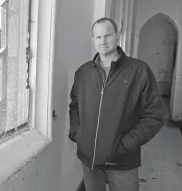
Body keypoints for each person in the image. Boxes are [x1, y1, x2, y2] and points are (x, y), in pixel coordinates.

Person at [68, 17, 166, 191]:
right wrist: (77, 133)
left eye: (108, 35)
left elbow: (155, 114)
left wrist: (126, 144)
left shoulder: (138, 70)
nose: (103, 41)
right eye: (98, 37)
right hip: (89, 158)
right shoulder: (83, 72)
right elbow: (74, 105)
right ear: (93, 40)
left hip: (122, 160)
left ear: (118, 36)